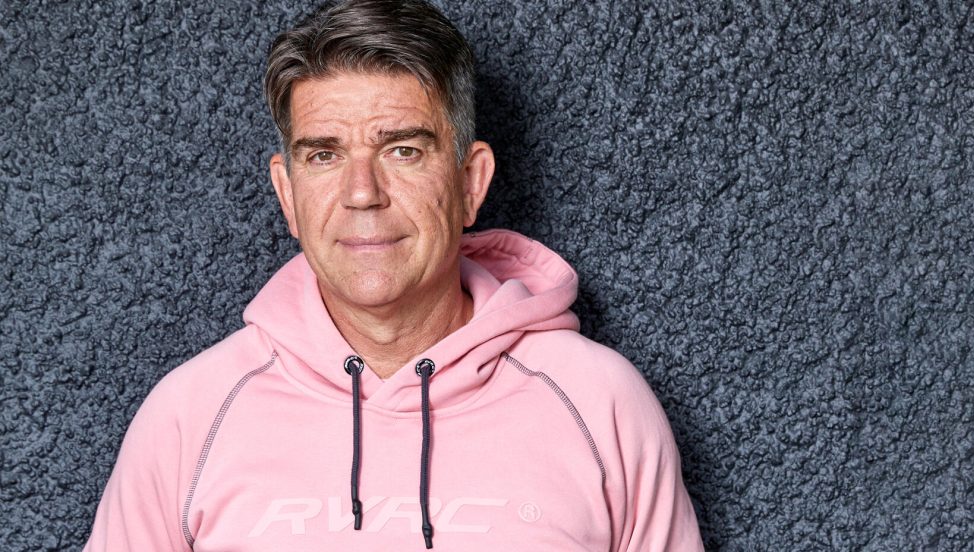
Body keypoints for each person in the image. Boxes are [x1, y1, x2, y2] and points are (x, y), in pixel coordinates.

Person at [83, 0, 704, 550]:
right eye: (324, 155)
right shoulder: (189, 417)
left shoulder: (602, 404)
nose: (362, 193)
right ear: (288, 194)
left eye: (402, 150)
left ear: (470, 183)